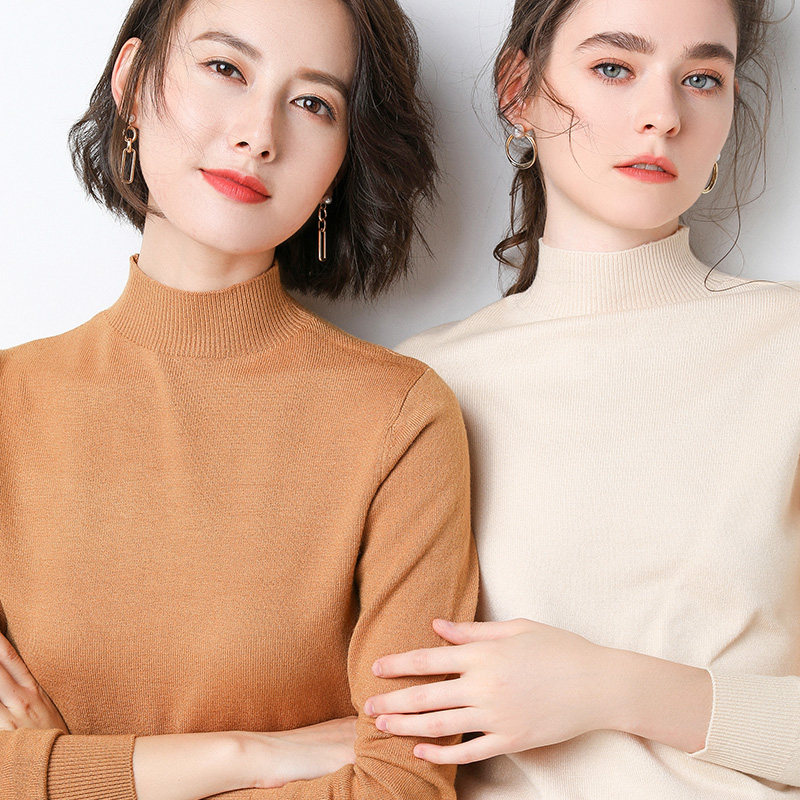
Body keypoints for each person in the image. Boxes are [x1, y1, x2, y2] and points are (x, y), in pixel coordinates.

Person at [0, 0, 478, 798]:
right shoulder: (9, 405)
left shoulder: (400, 418)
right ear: (132, 81)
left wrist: (64, 773)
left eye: (313, 103)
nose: (260, 134)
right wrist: (249, 755)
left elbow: (401, 787)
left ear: (343, 157)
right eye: (225, 68)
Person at [364, 0, 800, 796]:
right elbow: (382, 720)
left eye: (702, 78)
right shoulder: (421, 384)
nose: (663, 115)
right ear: (519, 90)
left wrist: (610, 687)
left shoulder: (788, 348)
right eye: (613, 67)